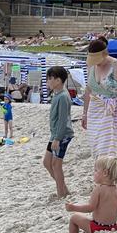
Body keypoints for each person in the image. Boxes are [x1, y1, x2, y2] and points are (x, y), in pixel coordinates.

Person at [83, 38, 117, 158]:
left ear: (105, 54)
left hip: (113, 109)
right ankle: (101, 171)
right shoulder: (91, 66)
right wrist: (84, 113)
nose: (96, 62)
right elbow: (88, 90)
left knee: (108, 145)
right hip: (94, 108)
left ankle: (108, 171)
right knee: (95, 145)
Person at [65, 156, 117, 233]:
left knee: (74, 218)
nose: (94, 173)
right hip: (112, 227)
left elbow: (90, 208)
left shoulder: (99, 189)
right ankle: (116, 228)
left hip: (97, 228)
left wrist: (73, 207)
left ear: (105, 173)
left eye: (96, 171)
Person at [44, 65, 74, 198]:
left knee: (56, 165)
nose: (48, 81)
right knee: (47, 162)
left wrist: (57, 138)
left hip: (62, 135)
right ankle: (64, 189)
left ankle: (61, 194)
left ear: (58, 80)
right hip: (55, 134)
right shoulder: (57, 94)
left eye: (50, 78)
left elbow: (63, 120)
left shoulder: (62, 96)